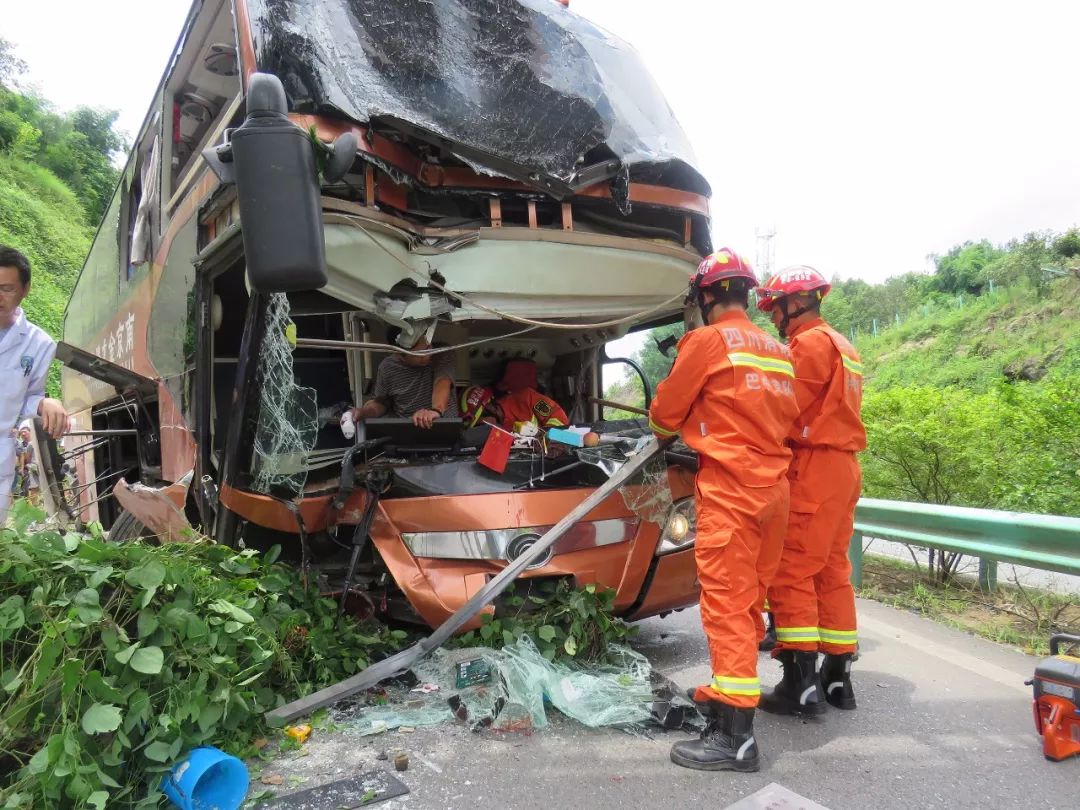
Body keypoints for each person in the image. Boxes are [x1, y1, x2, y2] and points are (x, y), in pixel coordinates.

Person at [648, 248, 799, 773]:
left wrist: (685, 429)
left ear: (707, 296)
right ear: (748, 296)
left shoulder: (707, 341)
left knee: (727, 609)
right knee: (751, 601)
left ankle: (734, 737)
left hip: (732, 492)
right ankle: (728, 689)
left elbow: (664, 415)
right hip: (774, 491)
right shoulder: (778, 349)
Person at [755, 265, 866, 716]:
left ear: (793, 304)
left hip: (814, 465)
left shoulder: (807, 346)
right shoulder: (844, 345)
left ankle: (798, 684)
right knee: (832, 571)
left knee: (792, 571)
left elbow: (784, 407)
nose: (774, 319)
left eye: (776, 309)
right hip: (844, 468)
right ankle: (837, 679)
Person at [0, 246, 68, 524]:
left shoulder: (39, 344)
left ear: (25, 289)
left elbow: (26, 398)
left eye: (6, 288)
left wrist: (43, 402)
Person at [350, 323, 458, 429]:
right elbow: (381, 404)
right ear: (399, 354)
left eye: (428, 347)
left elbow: (442, 381)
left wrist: (436, 411)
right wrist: (362, 412)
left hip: (444, 426)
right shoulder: (387, 367)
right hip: (406, 433)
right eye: (419, 354)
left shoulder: (442, 353)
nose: (426, 355)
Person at [459, 361, 569, 431]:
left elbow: (559, 419)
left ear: (489, 407)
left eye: (480, 424)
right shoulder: (500, 429)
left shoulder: (527, 397)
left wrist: (546, 438)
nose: (482, 428)